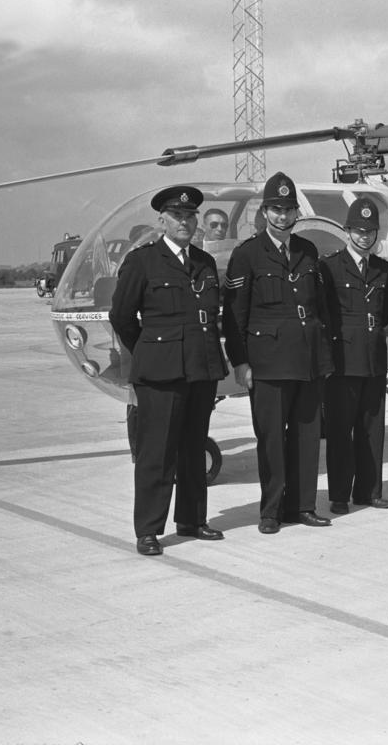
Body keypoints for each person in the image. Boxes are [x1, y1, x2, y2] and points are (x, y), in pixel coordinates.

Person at [109, 185, 228, 556]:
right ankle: (148, 529)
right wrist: (150, 352)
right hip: (159, 374)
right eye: (177, 215)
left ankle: (192, 520)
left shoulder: (205, 263)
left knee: (193, 449)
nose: (185, 221)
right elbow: (122, 317)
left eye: (190, 216)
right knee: (156, 453)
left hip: (201, 370)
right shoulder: (142, 261)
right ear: (161, 220)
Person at [223, 171, 333, 534]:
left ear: (295, 213)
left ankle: (303, 506)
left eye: (287, 209)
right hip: (267, 363)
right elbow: (234, 315)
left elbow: (319, 307)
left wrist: (324, 358)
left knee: (306, 437)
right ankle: (270, 511)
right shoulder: (247, 255)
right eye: (275, 209)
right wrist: (240, 362)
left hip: (306, 361)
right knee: (270, 440)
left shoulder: (307, 251)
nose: (282, 216)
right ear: (264, 212)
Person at [319, 197, 388, 514]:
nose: (364, 236)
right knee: (340, 431)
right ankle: (339, 494)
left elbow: (387, 310)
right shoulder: (330, 267)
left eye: (370, 231)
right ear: (348, 230)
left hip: (373, 360)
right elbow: (324, 313)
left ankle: (368, 492)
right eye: (359, 230)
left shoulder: (382, 270)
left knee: (372, 430)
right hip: (342, 362)